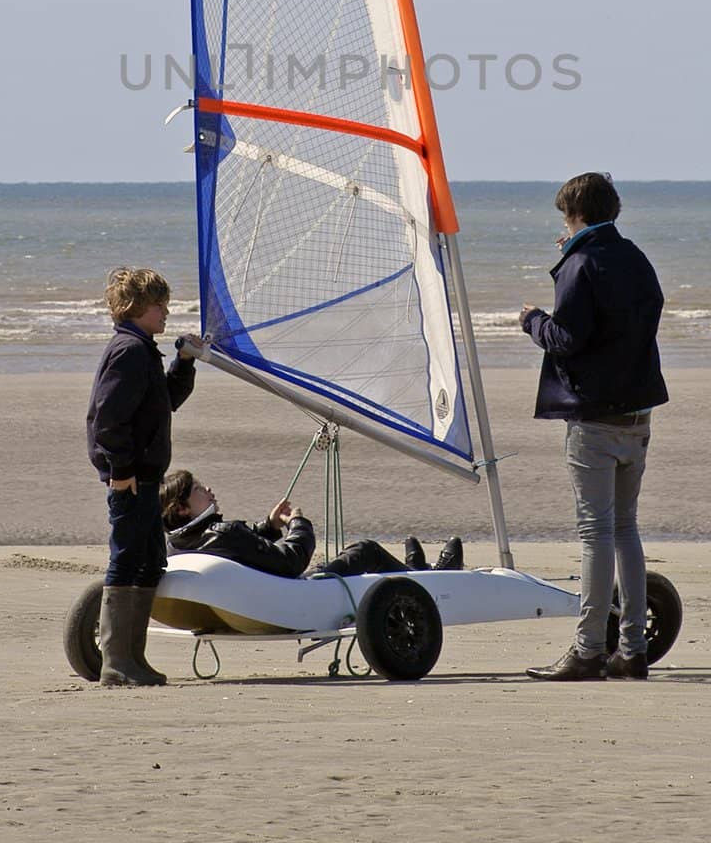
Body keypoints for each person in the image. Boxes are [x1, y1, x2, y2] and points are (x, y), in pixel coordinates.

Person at [519, 172, 667, 682]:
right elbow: (629, 319)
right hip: (637, 414)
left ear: (576, 216)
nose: (564, 224)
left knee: (596, 531)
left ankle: (587, 648)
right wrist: (569, 265)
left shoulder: (581, 264)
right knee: (625, 528)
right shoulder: (635, 259)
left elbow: (566, 337)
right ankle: (631, 649)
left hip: (595, 419)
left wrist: (532, 319)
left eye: (566, 216)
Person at [86, 267, 197, 687]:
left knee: (150, 562)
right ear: (135, 308)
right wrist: (121, 472)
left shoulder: (144, 349)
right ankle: (117, 663)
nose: (166, 312)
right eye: (159, 305)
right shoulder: (128, 351)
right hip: (131, 480)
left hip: (147, 478)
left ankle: (134, 659)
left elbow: (166, 400)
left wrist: (184, 362)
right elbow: (107, 419)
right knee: (128, 562)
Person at [160, 469, 464, 578]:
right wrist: (298, 523)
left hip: (263, 596)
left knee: (361, 555)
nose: (209, 490)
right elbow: (292, 561)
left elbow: (240, 543)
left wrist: (269, 524)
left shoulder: (176, 544)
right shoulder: (223, 533)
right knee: (365, 550)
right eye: (199, 489)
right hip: (292, 598)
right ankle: (430, 579)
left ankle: (417, 572)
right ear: (183, 509)